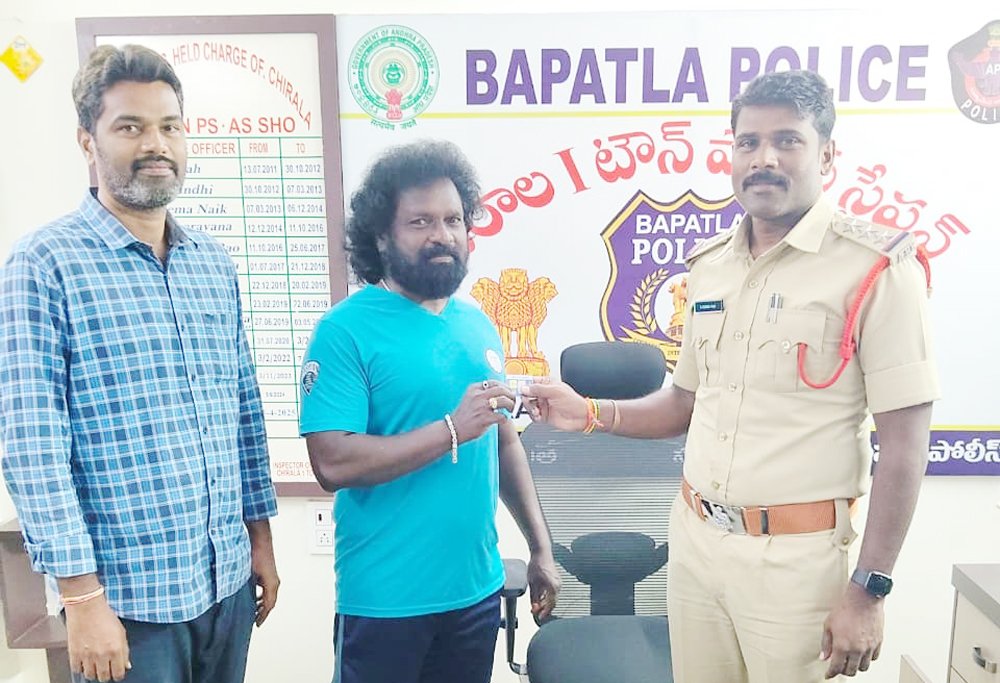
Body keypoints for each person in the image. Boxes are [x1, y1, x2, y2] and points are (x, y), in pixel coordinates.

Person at [522, 69, 938, 682]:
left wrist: (869, 589)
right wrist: (586, 413)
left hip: (795, 564)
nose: (764, 158)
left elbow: (905, 447)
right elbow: (683, 404)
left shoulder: (876, 269)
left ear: (827, 154)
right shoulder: (710, 267)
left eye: (787, 140)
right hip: (695, 548)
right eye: (748, 142)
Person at [0, 44, 279, 683]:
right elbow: (34, 445)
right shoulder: (44, 264)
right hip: (126, 604)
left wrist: (259, 540)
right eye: (130, 127)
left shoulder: (212, 263)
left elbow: (243, 412)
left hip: (226, 584)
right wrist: (81, 599)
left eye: (169, 126)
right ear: (87, 140)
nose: (156, 144)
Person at [299, 140, 559, 683]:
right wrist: (450, 429)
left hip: (476, 593)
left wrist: (540, 548)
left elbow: (502, 439)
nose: (442, 235)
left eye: (453, 219)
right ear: (381, 235)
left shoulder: (477, 323)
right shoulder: (344, 331)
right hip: (385, 603)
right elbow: (332, 462)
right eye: (420, 221)